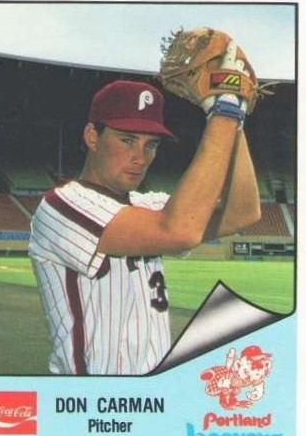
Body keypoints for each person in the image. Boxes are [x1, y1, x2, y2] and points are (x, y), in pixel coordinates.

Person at [28, 78, 261, 375]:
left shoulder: (147, 206)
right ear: (92, 136)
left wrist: (235, 122)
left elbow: (243, 213)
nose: (140, 157)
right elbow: (180, 231)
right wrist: (223, 112)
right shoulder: (61, 206)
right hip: (95, 399)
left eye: (150, 144)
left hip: (154, 391)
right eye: (127, 140)